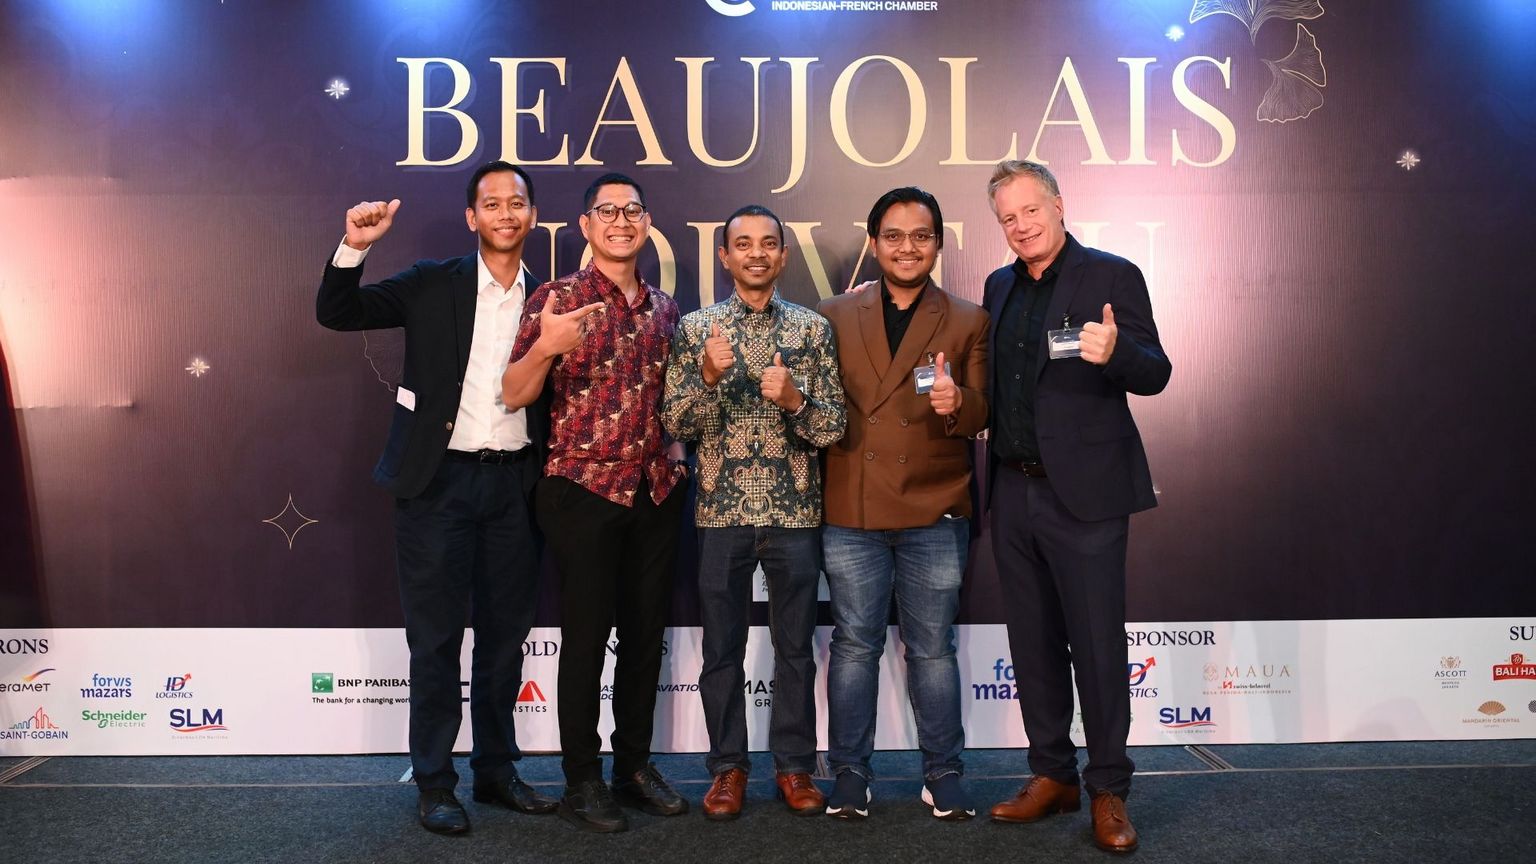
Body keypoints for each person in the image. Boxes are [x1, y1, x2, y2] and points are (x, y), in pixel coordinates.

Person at [316, 161, 559, 835]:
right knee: (435, 641)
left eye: (517, 202)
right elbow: (338, 313)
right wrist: (355, 246)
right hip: (436, 485)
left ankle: (497, 772)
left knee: (505, 642)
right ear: (472, 217)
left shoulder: (553, 299)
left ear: (532, 216)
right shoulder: (431, 283)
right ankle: (434, 783)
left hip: (516, 486)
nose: (506, 212)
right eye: (492, 203)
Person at [981, 159, 1171, 854]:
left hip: (1086, 496)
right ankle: (1052, 775)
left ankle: (1109, 788)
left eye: (1030, 210)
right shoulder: (999, 286)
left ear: (1058, 205)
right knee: (1032, 643)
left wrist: (1117, 351)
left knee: (1095, 643)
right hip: (1013, 488)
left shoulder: (1112, 275)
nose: (1021, 225)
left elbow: (1156, 371)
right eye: (1008, 217)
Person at [501, 172, 689, 833]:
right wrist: (546, 347)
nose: (620, 221)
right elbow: (514, 391)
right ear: (585, 226)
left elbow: (675, 400)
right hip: (580, 490)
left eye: (632, 211)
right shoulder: (556, 299)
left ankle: (632, 768)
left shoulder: (665, 309)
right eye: (607, 211)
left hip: (654, 489)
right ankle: (581, 780)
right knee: (584, 639)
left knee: (644, 638)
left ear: (646, 223)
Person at [661, 205, 846, 820]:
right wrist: (708, 378)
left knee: (796, 649)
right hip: (720, 511)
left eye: (768, 244)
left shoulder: (812, 330)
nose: (757, 254)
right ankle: (727, 769)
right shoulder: (696, 329)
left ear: (784, 255)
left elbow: (832, 427)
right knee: (722, 649)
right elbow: (676, 423)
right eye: (743, 244)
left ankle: (794, 767)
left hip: (796, 512)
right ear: (725, 256)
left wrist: (795, 400)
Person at [817, 187, 990, 821]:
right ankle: (849, 774)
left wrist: (958, 404)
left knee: (933, 649)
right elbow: (819, 408)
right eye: (893, 236)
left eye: (921, 236)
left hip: (935, 509)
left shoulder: (969, 319)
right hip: (852, 509)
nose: (907, 247)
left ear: (938, 244)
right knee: (854, 647)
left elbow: (983, 409)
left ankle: (943, 773)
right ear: (874, 243)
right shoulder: (833, 314)